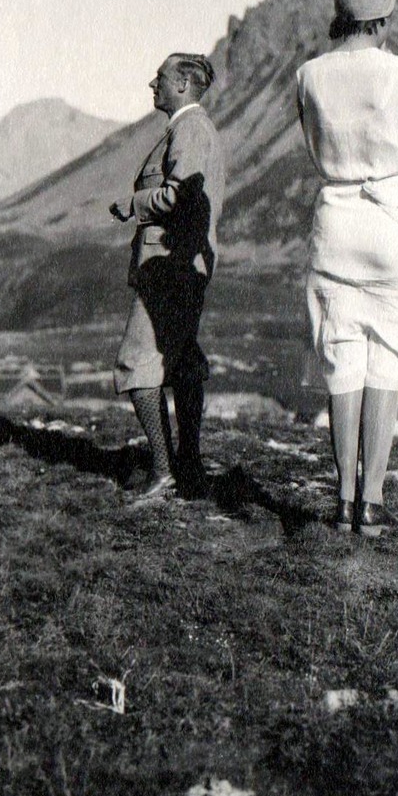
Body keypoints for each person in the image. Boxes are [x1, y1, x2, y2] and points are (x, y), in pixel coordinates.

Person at [297, 0, 398, 537]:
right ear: (381, 18)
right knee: (387, 359)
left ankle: (340, 499)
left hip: (336, 220)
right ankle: (373, 500)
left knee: (342, 361)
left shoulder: (308, 75)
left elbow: (312, 139)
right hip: (392, 219)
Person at [110, 52, 225, 501]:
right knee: (181, 362)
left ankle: (164, 472)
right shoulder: (190, 129)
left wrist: (133, 206)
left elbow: (179, 196)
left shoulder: (190, 129)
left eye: (159, 78)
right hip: (181, 267)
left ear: (182, 84)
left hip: (169, 267)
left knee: (136, 361)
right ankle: (188, 466)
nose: (151, 85)